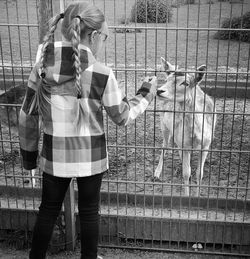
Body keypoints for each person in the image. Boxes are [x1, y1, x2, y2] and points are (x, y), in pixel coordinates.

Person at [18, 1, 157, 259]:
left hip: (53, 159)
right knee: (90, 212)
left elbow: (26, 114)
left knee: (47, 210)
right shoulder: (102, 73)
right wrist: (145, 93)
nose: (103, 42)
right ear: (93, 36)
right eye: (104, 37)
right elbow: (123, 117)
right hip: (91, 160)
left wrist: (28, 160)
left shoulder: (41, 67)